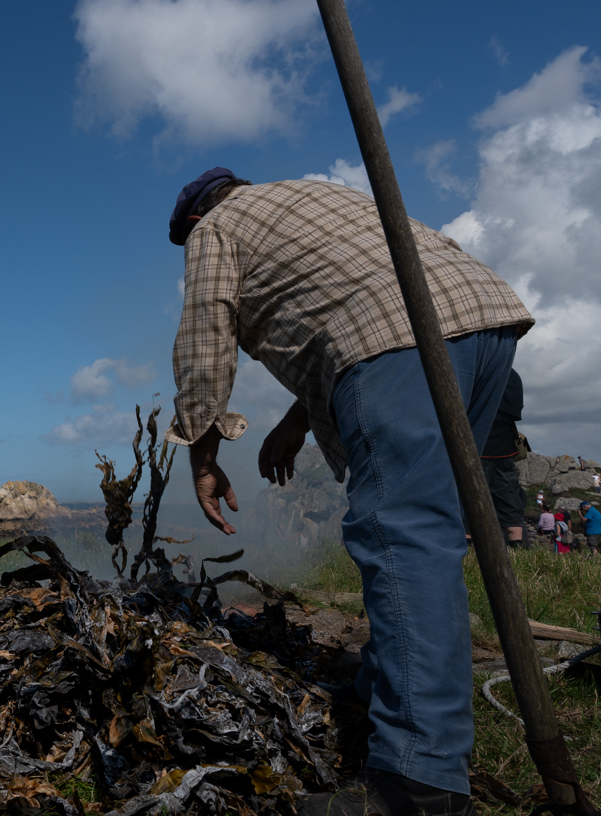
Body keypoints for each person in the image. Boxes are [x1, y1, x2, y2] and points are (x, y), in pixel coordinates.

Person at [166, 168, 533, 816]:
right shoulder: (313, 194)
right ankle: (387, 690)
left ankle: (417, 784)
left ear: (193, 222)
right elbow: (357, 298)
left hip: (397, 341)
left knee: (400, 537)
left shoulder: (215, 228)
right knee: (427, 531)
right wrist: (296, 417)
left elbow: (205, 335)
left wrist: (204, 449)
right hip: (481, 320)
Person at [479, 370, 526, 548]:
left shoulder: (479, 372)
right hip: (504, 450)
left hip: (478, 450)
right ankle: (517, 550)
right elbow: (515, 410)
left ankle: (467, 551)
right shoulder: (509, 374)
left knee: (467, 505)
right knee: (510, 505)